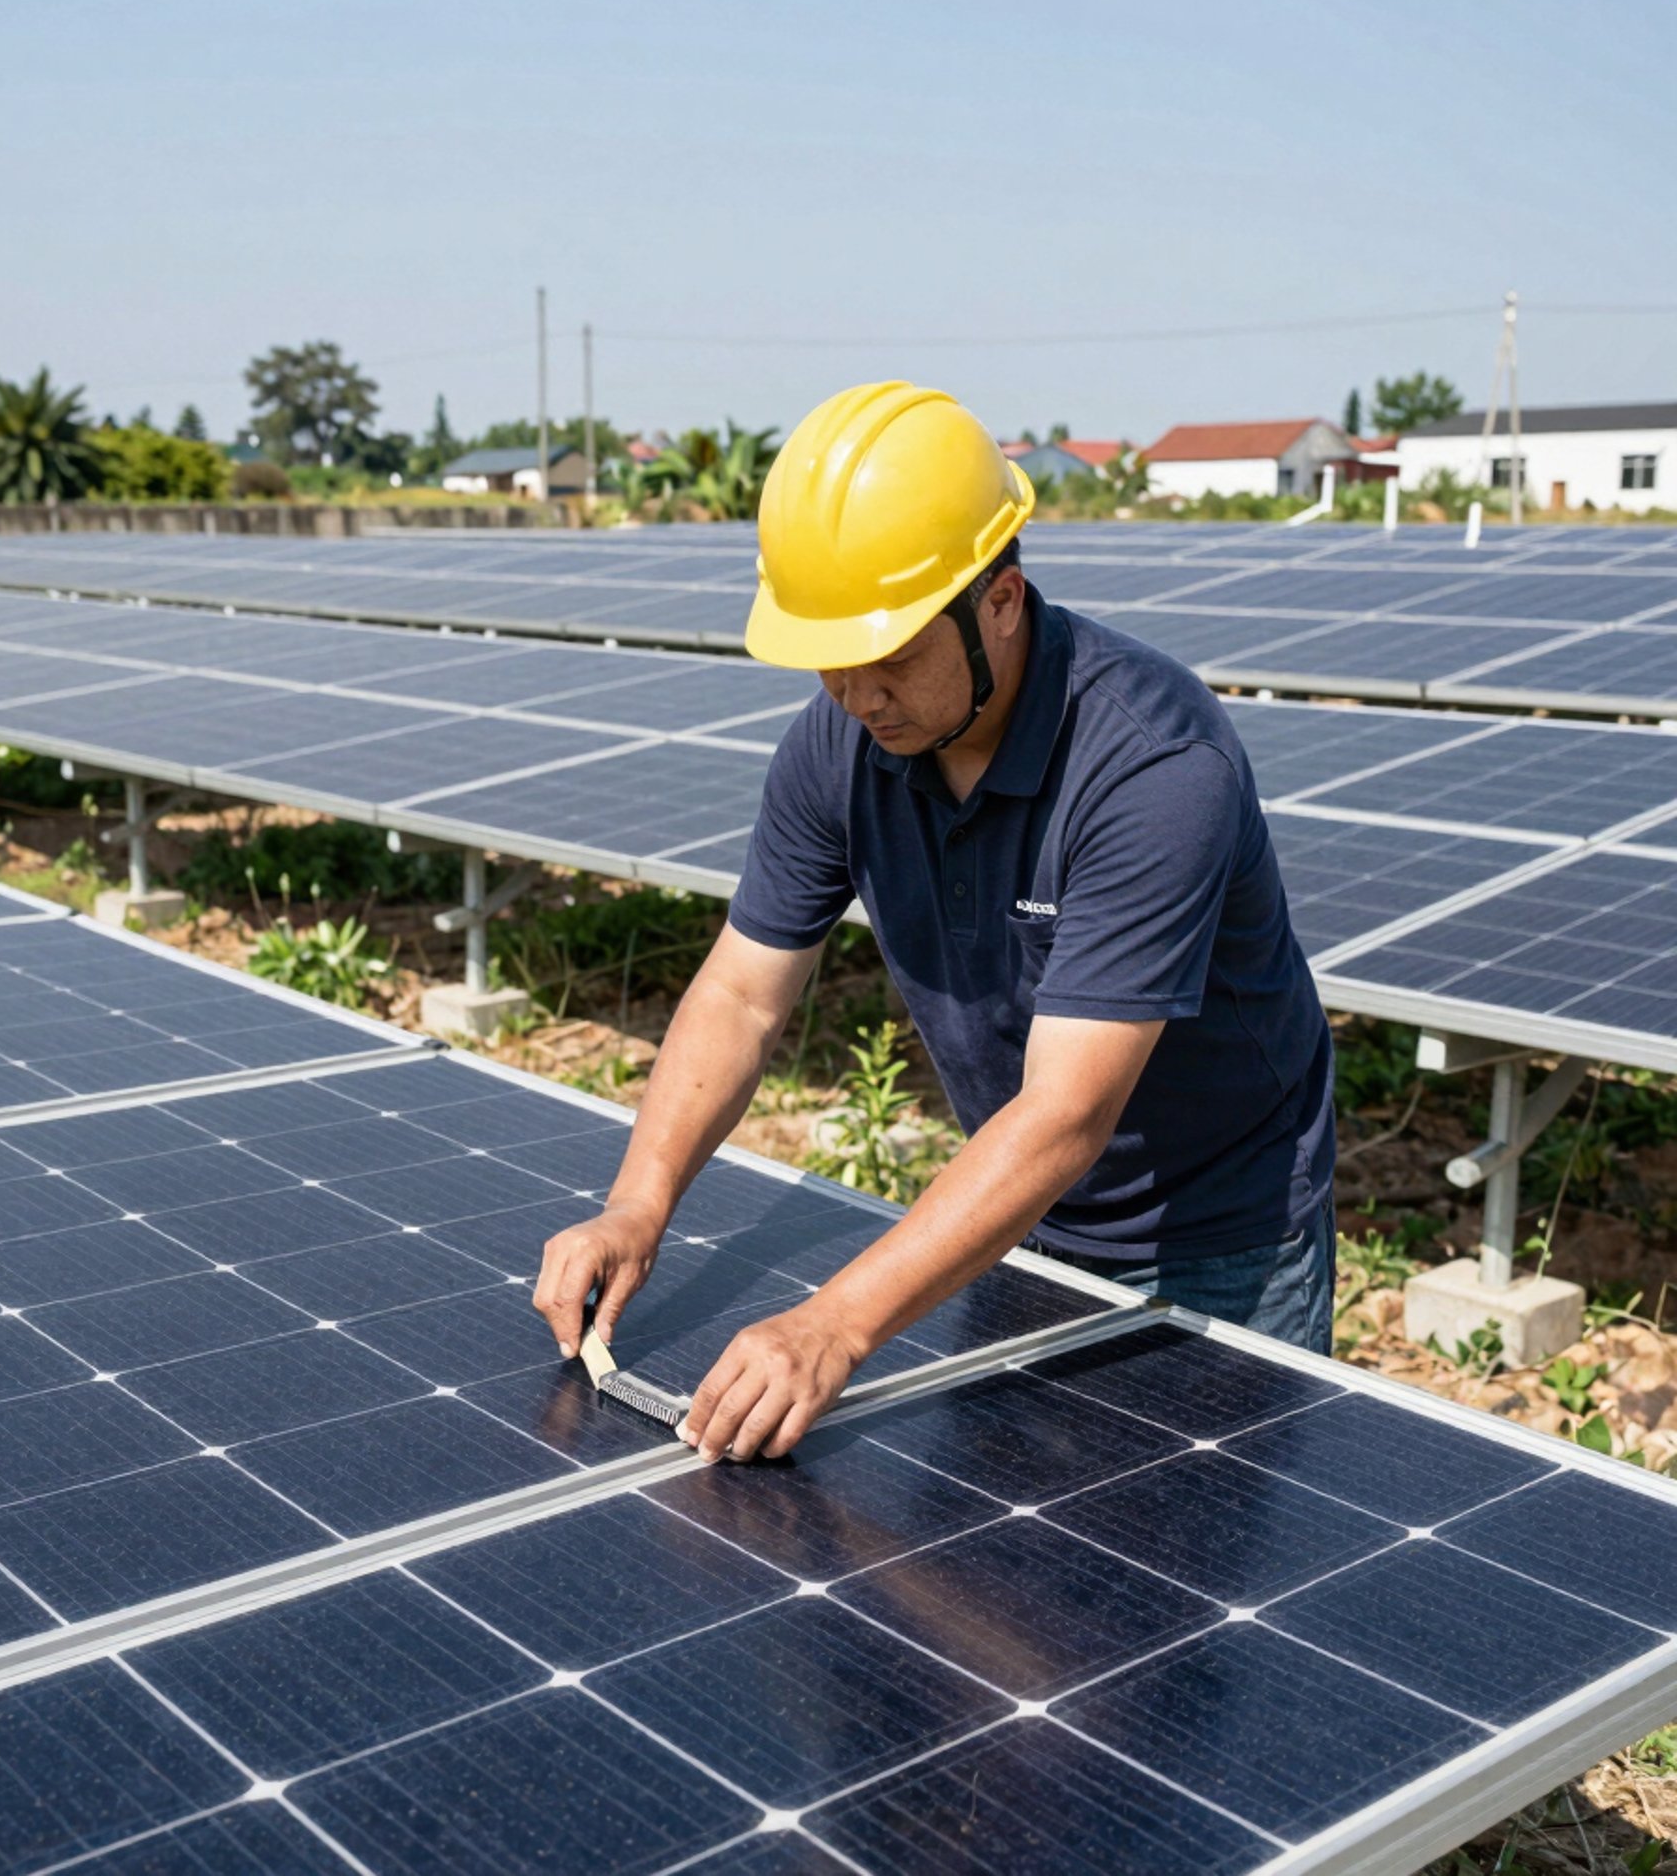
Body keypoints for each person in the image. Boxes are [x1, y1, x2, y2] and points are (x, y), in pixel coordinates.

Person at [534, 381, 1334, 1464]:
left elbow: (1065, 1113)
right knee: (1009, 1534)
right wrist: (637, 1205)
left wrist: (834, 1324)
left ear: (1000, 600)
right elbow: (741, 995)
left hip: (1213, 1241)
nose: (856, 692)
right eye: (830, 656)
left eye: (893, 653)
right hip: (1015, 1219)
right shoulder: (842, 743)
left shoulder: (1152, 767)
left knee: (1181, 1557)